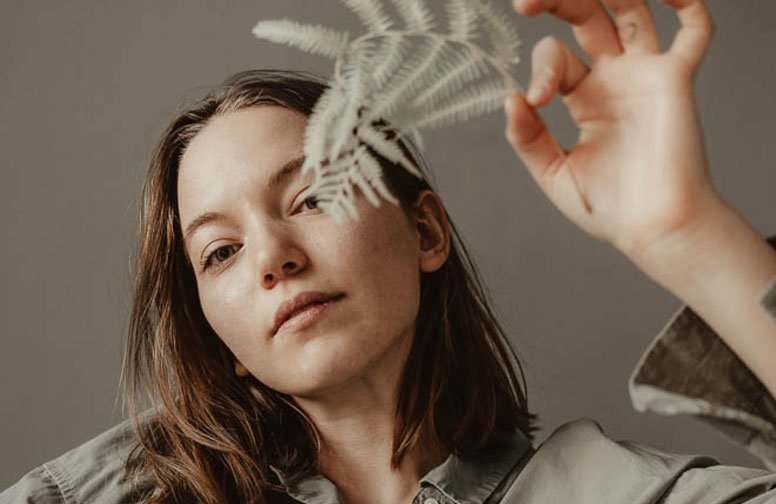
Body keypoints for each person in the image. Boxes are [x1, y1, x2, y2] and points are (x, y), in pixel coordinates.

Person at [2, 0, 776, 502]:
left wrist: (689, 233)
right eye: (220, 253)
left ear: (426, 231)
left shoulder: (614, 495)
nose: (273, 256)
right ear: (220, 338)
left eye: (310, 197)